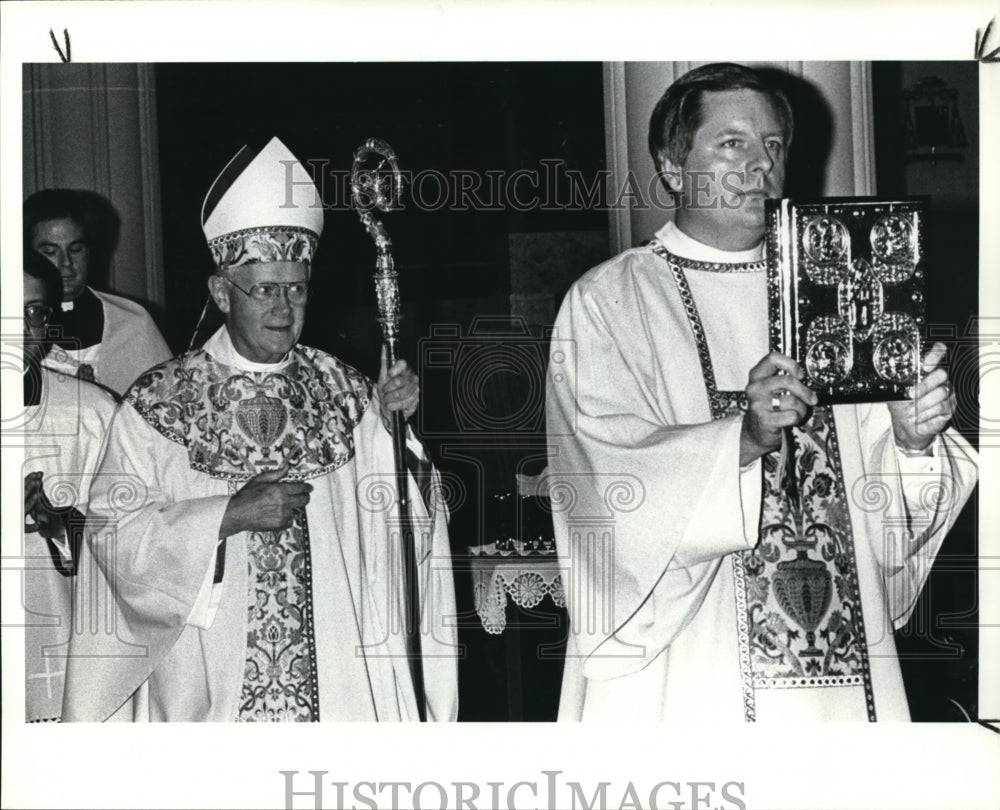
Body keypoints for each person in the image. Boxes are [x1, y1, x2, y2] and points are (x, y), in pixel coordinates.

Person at [546, 63, 978, 722]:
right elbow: (606, 484)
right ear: (671, 164)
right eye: (732, 143)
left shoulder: (838, 292)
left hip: (840, 682)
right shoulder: (613, 301)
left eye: (773, 146)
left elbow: (887, 522)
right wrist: (742, 439)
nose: (760, 166)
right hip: (687, 675)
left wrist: (913, 441)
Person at [62, 137, 458, 722]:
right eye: (266, 290)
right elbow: (112, 533)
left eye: (296, 289)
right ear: (222, 292)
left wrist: (397, 430)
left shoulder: (345, 393)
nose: (283, 307)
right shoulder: (160, 401)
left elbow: (401, 530)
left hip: (338, 687)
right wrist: (226, 515)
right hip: (209, 684)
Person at [22, 251, 117, 722]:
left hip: (67, 649)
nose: (19, 329)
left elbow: (135, 539)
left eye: (34, 312)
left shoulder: (92, 414)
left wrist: (65, 526)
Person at [24, 188, 172, 396]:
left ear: (90, 252)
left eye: (76, 249)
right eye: (50, 252)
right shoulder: (20, 328)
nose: (66, 263)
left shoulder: (133, 323)